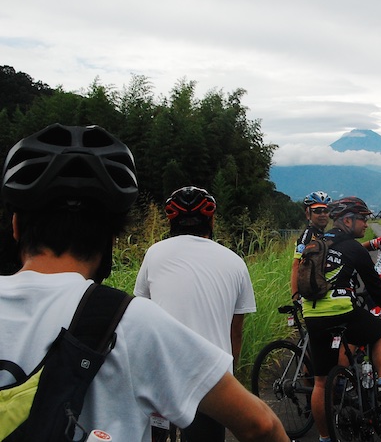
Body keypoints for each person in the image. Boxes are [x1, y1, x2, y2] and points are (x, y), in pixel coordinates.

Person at [0, 123, 287, 442]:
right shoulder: (132, 321)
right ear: (111, 237)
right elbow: (261, 425)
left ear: (15, 226)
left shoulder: (154, 256)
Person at [134, 185, 257, 441]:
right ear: (211, 220)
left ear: (172, 221)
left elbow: (141, 313)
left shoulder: (154, 253)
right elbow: (236, 331)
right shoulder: (235, 261)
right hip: (211, 379)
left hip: (161, 374)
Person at [301, 196, 381, 442]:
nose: (366, 224)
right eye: (363, 219)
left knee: (320, 382)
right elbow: (377, 289)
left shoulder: (315, 242)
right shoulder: (354, 248)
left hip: (312, 313)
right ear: (348, 220)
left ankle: (325, 438)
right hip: (341, 310)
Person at [290, 190, 331, 299]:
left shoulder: (323, 234)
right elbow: (296, 264)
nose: (322, 214)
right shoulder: (308, 234)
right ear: (308, 214)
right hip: (310, 293)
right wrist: (295, 296)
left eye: (325, 210)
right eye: (317, 211)